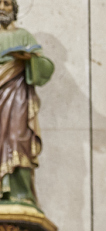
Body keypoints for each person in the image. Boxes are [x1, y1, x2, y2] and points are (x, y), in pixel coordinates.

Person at [0, 0, 53, 207]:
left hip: (17, 95)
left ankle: (20, 193)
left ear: (14, 9)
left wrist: (29, 59)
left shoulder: (23, 36)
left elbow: (45, 67)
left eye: (7, 3)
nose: (2, 7)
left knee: (17, 139)